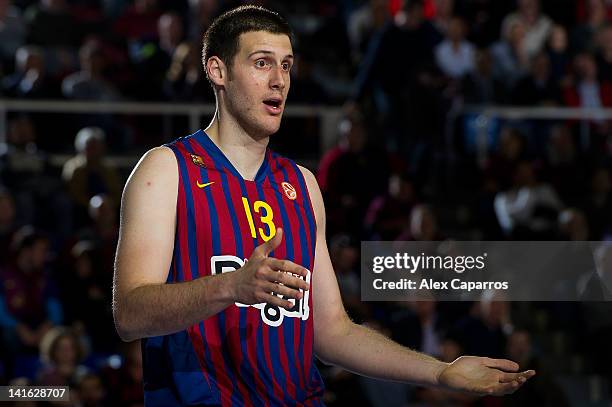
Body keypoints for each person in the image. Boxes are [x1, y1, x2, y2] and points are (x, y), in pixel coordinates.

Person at [112, 5, 535, 406]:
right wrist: (230, 286)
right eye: (262, 63)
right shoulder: (167, 170)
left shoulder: (302, 184)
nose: (279, 79)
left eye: (287, 65)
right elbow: (129, 314)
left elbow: (331, 332)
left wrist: (440, 371)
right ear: (217, 71)